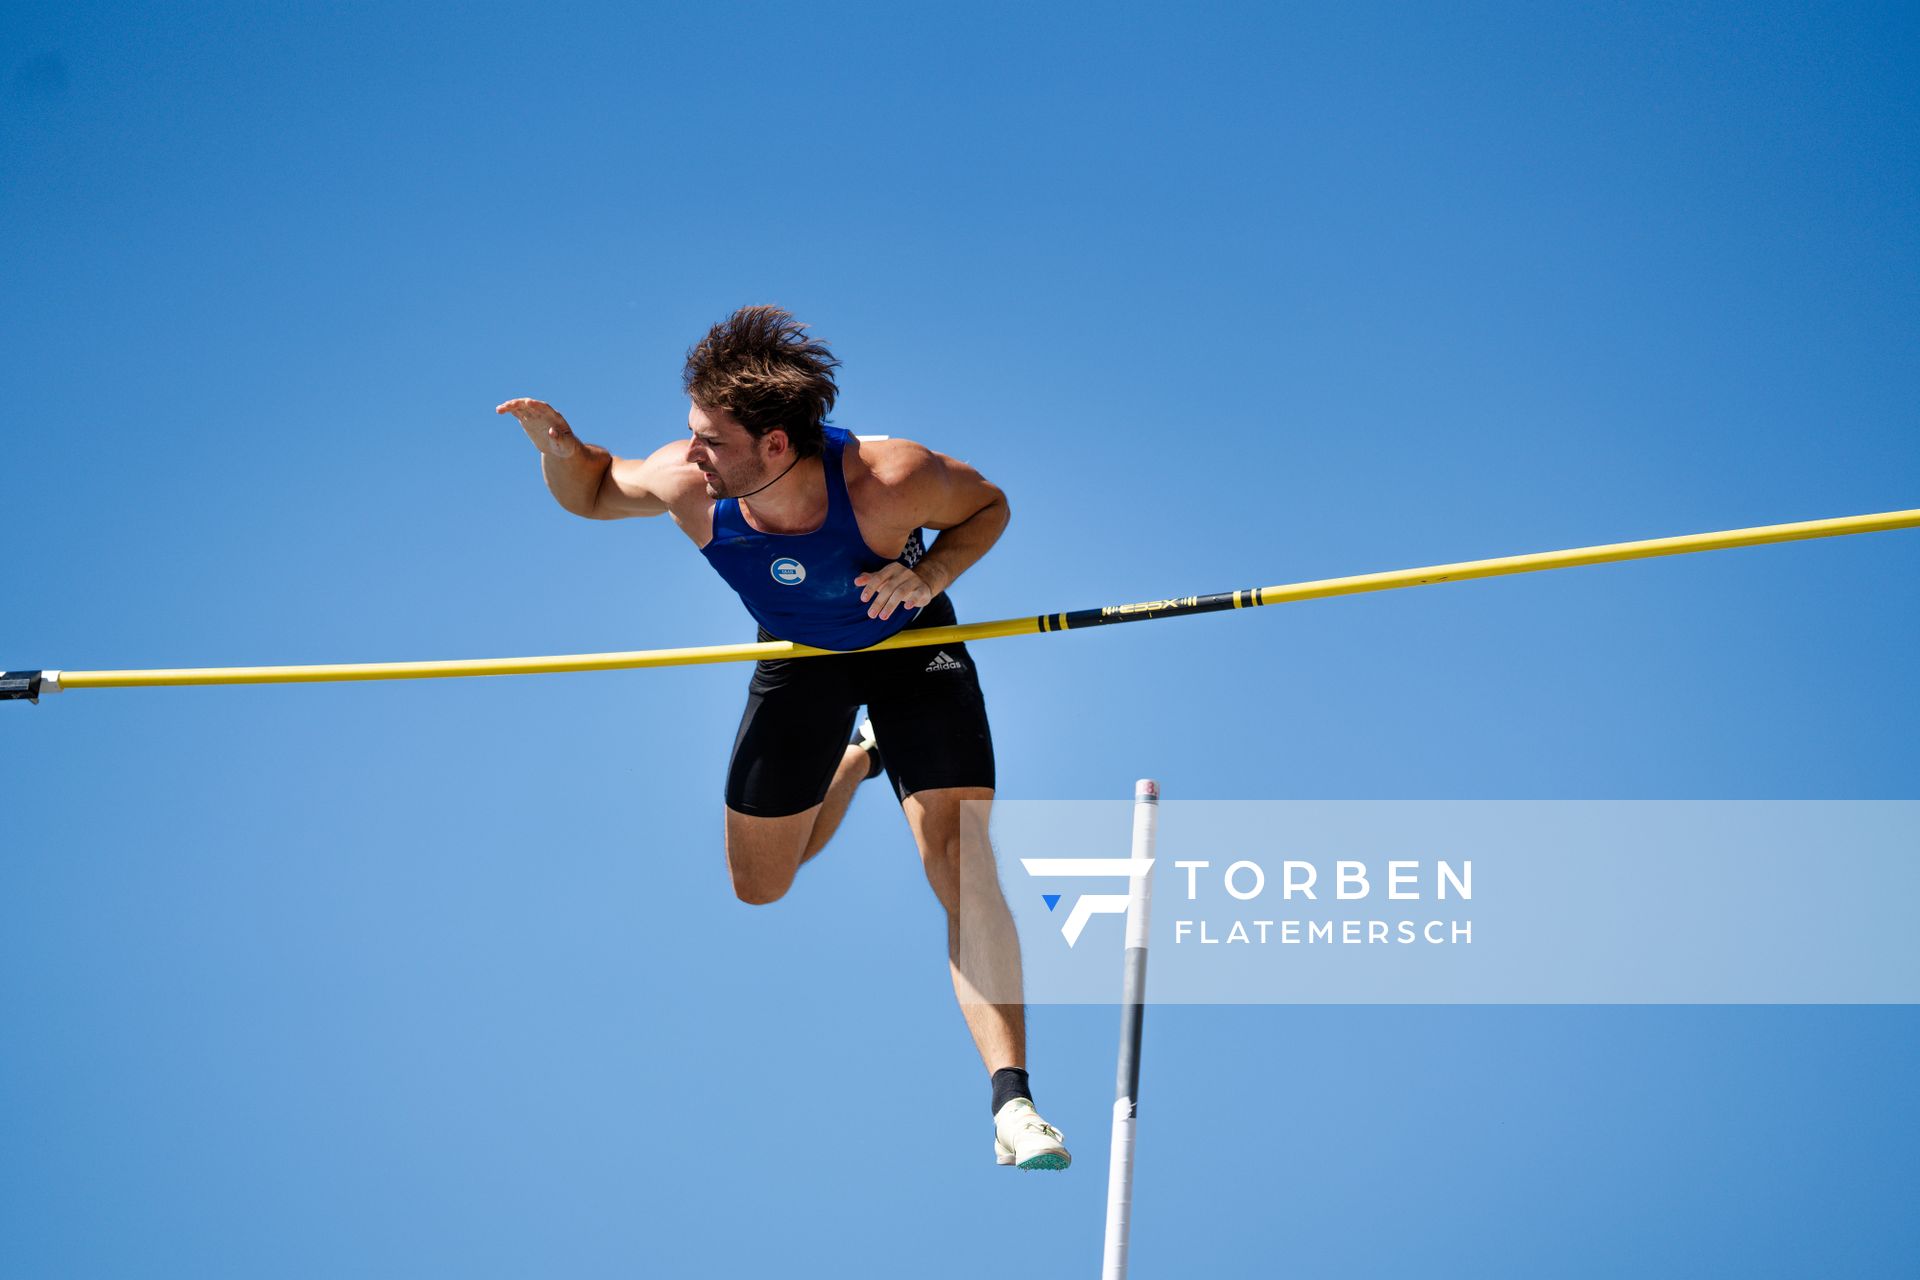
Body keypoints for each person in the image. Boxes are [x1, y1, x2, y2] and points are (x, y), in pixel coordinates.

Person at [498, 305, 1069, 1170]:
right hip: (803, 661)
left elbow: (987, 506)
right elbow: (593, 490)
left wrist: (930, 573)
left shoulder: (887, 479)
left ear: (774, 446)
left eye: (710, 439)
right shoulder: (690, 486)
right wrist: (558, 449)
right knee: (761, 885)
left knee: (962, 862)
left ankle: (1014, 1102)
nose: (692, 452)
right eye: (693, 433)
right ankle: (863, 754)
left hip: (908, 645)